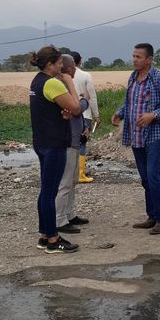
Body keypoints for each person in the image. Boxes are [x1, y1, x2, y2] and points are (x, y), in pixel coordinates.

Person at [111, 43, 160, 234]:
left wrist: (153, 115)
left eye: (138, 57)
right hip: (136, 136)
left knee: (153, 176)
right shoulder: (133, 77)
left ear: (149, 59)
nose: (134, 60)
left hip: (153, 136)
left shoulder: (159, 77)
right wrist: (119, 113)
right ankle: (152, 216)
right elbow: (130, 102)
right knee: (145, 178)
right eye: (133, 56)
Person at [29, 45, 81, 254]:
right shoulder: (52, 82)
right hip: (54, 144)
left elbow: (50, 108)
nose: (62, 66)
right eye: (59, 63)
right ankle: (53, 238)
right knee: (50, 192)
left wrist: (63, 114)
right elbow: (76, 107)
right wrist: (69, 82)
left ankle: (44, 235)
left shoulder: (37, 81)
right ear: (50, 64)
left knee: (46, 190)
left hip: (42, 141)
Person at [55, 55, 91, 234]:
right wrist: (85, 100)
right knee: (65, 183)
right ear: (70, 69)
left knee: (72, 181)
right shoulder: (60, 86)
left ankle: (70, 214)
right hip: (67, 141)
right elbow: (75, 108)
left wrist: (83, 126)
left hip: (75, 139)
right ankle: (60, 220)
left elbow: (75, 111)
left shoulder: (65, 85)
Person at [70, 51, 101, 183]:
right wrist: (97, 116)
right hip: (85, 114)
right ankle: (81, 174)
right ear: (80, 61)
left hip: (69, 114)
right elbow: (92, 97)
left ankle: (70, 173)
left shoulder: (61, 76)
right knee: (82, 142)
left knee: (70, 143)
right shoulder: (86, 75)